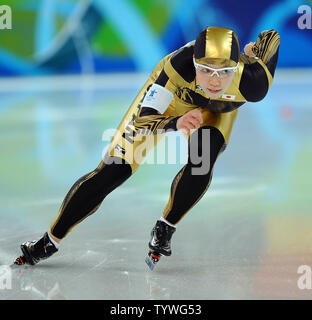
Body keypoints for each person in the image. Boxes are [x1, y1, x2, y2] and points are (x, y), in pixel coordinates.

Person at [14, 26, 280, 267]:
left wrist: (255, 50)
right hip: (170, 106)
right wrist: (176, 123)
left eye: (224, 72)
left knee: (203, 158)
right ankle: (49, 240)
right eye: (206, 69)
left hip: (217, 111)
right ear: (194, 63)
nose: (213, 81)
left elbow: (272, 37)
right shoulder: (175, 69)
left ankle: (165, 228)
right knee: (113, 171)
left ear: (236, 68)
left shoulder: (254, 82)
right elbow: (144, 120)